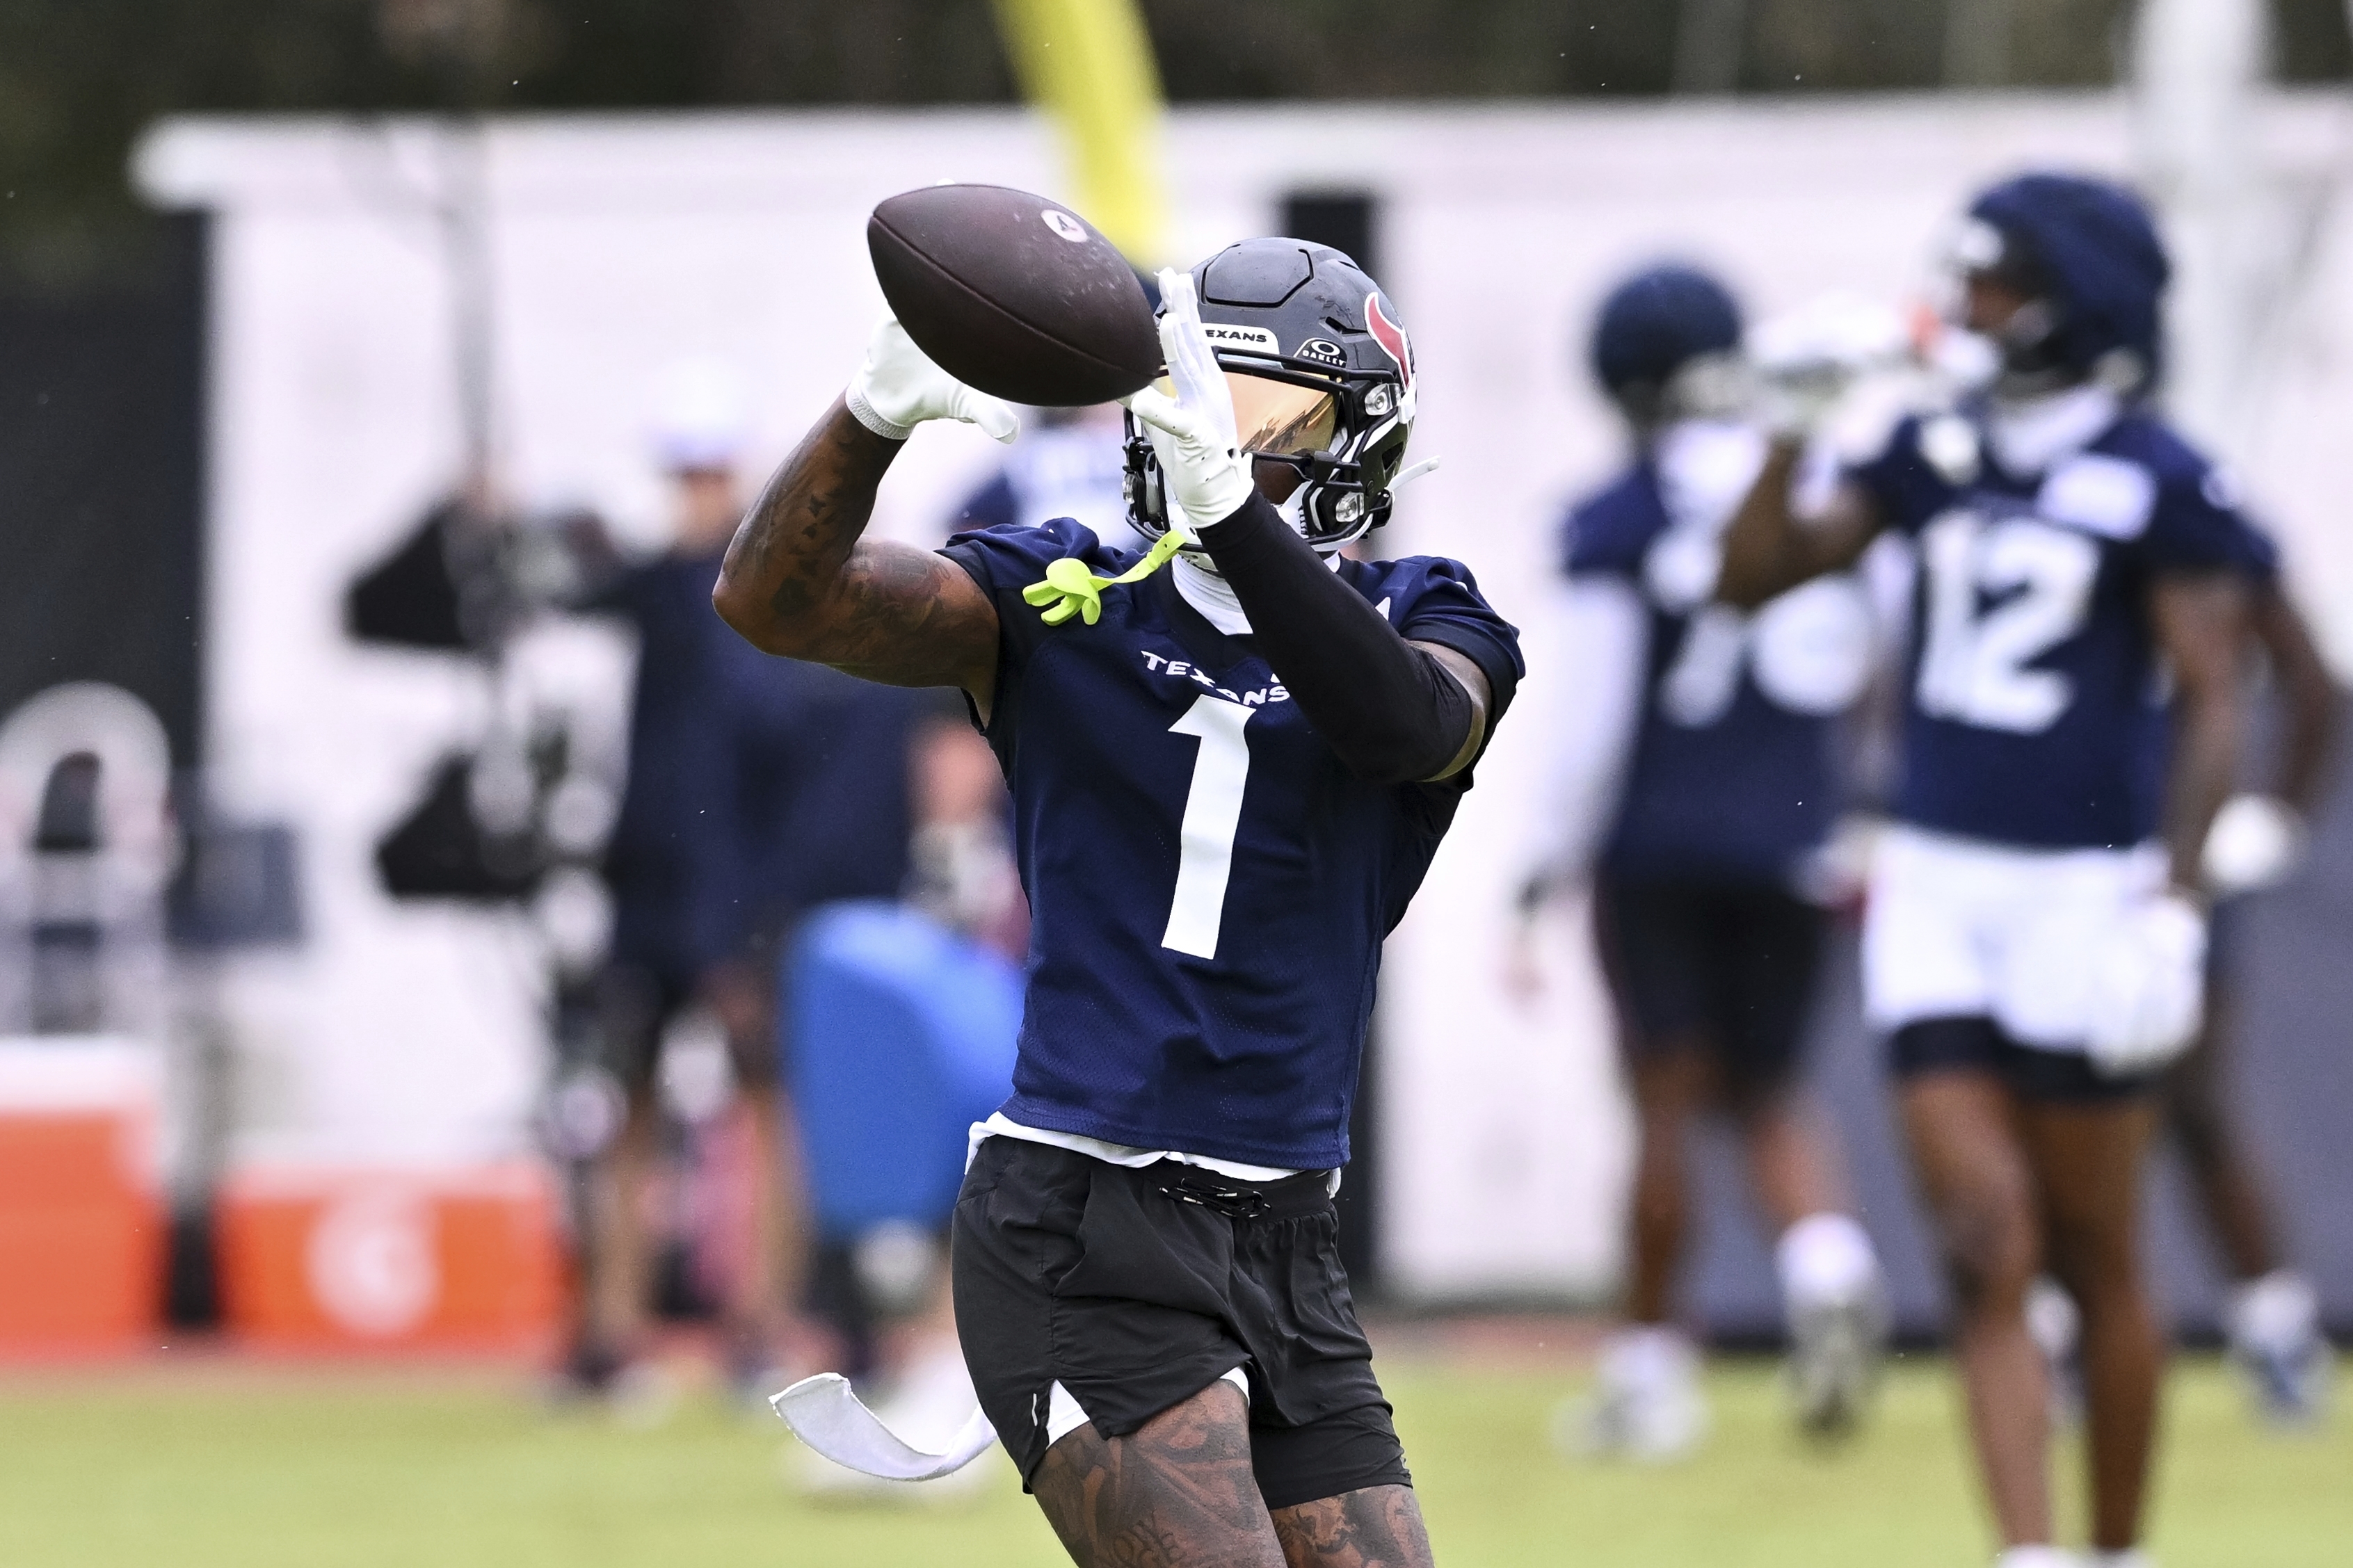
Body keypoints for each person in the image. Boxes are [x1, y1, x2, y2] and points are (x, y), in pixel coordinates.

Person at [715, 239, 1520, 1567]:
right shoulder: (1060, 595)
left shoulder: (1427, 613)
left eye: (1271, 415)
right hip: (1084, 1222)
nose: (1225, 440)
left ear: (1363, 439)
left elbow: (1405, 729)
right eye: (1201, 401)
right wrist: (865, 420)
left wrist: (1235, 518)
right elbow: (772, 603)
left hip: (1287, 1233)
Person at [1718, 173, 2271, 1568]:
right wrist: (1789, 434)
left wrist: (2177, 906)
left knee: (2095, 1249)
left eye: (1995, 283)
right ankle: (2029, 1555)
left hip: (2085, 890)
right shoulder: (1935, 447)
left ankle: (2116, 1548)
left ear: (2070, 302)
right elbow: (1752, 577)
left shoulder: (2159, 475)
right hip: (1937, 882)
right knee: (1982, 1235)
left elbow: (2216, 695)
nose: (1966, 308)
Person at [1512, 264, 1888, 1459]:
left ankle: (1648, 1369)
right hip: (1795, 835)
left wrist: (1541, 868)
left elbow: (1592, 717)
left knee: (1663, 1103)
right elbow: (1875, 651)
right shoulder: (1817, 486)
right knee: (1772, 1090)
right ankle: (1828, 1262)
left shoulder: (1623, 516)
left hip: (1660, 842)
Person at [569, 360, 813, 1399]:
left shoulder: (770, 596)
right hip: (649, 888)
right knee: (626, 1105)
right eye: (684, 476)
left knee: (764, 1106)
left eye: (709, 474)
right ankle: (611, 1334)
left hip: (742, 892)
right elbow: (567, 584)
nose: (696, 495)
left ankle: (760, 1328)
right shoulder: (658, 583)